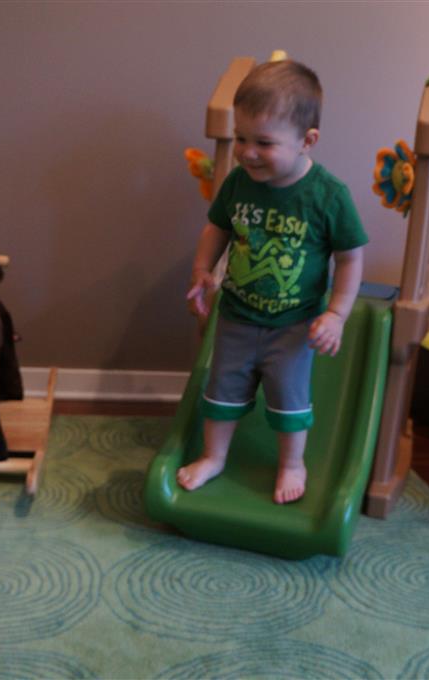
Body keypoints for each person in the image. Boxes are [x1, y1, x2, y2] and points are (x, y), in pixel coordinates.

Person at [178, 60, 368, 504]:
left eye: (263, 142)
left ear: (307, 141)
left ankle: (292, 463)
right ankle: (213, 456)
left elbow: (350, 257)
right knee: (221, 392)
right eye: (241, 138)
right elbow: (217, 228)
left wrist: (336, 314)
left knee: (288, 400)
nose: (247, 152)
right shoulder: (238, 183)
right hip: (237, 317)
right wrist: (202, 270)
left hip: (294, 326)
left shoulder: (328, 195)